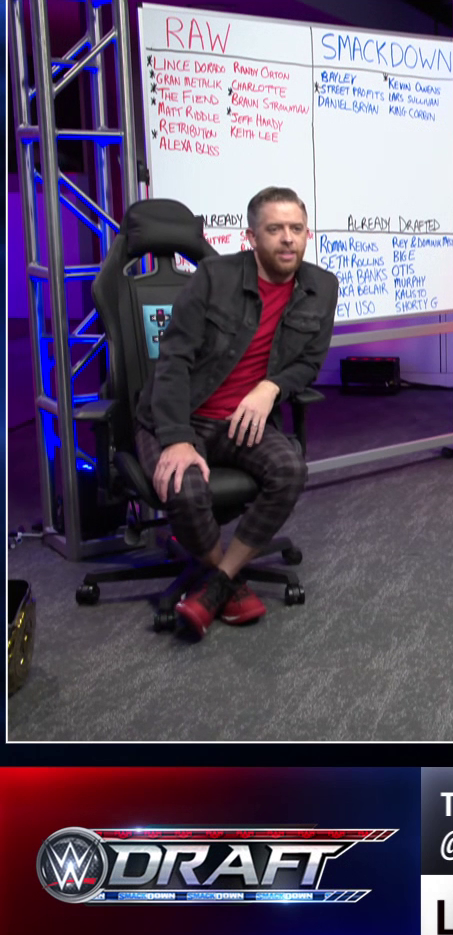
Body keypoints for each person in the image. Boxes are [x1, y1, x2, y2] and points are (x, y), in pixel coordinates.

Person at [136, 187, 339, 641]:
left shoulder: (322, 287)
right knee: (184, 487)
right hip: (179, 414)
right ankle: (228, 584)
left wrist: (271, 388)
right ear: (251, 237)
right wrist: (176, 438)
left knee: (289, 470)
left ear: (308, 234)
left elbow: (308, 363)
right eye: (275, 229)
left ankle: (219, 581)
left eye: (296, 229)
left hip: (241, 421)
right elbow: (174, 360)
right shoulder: (214, 277)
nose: (288, 239)